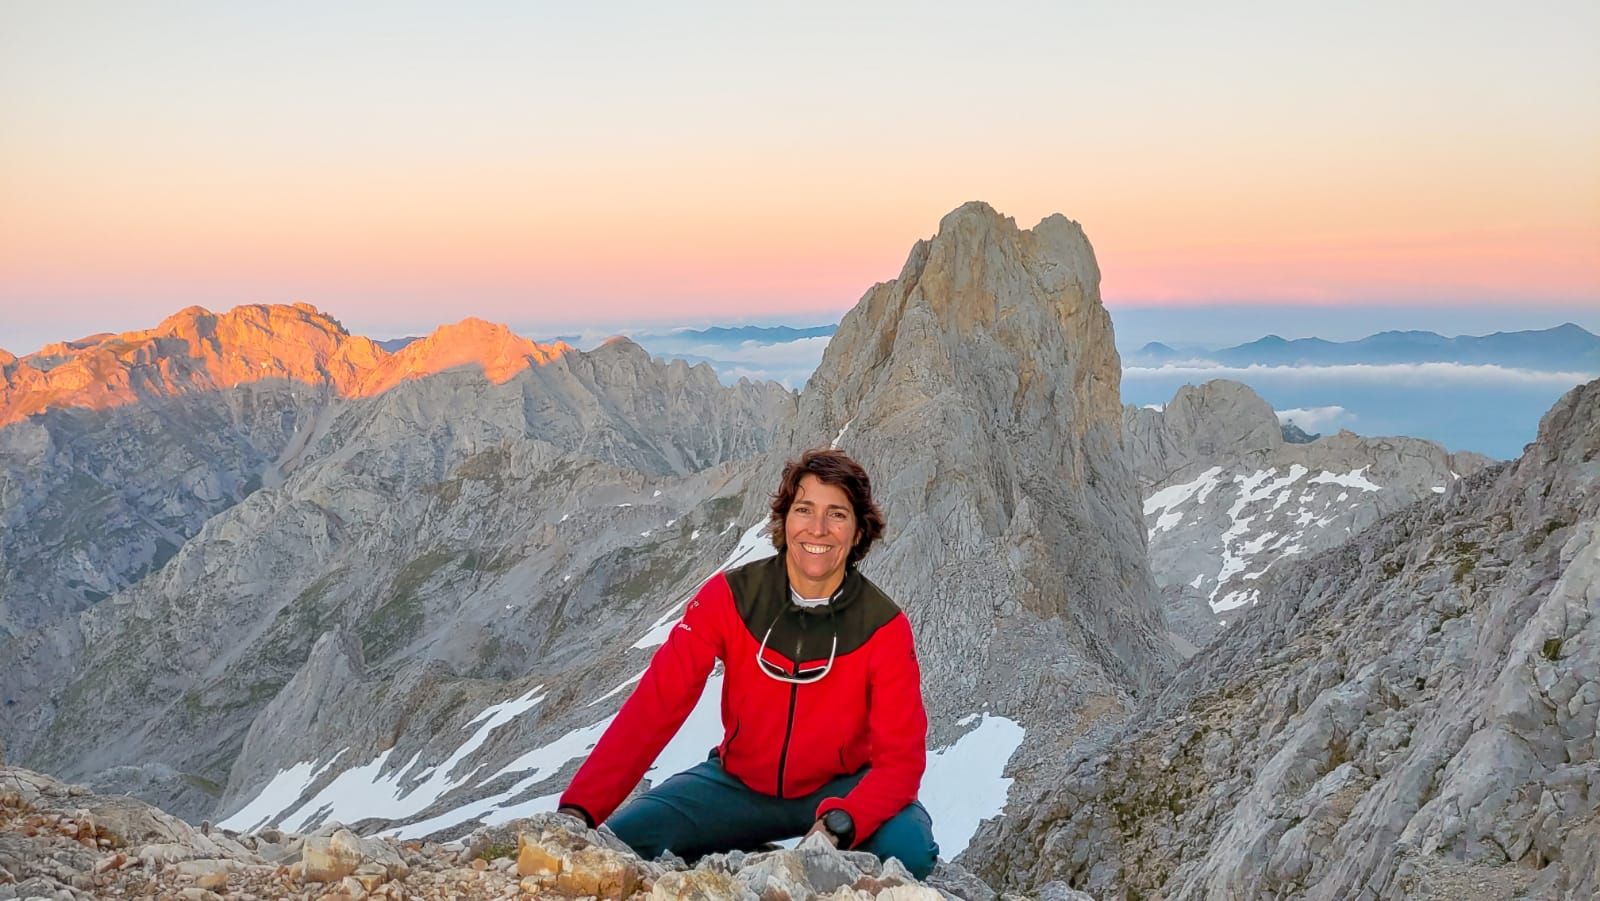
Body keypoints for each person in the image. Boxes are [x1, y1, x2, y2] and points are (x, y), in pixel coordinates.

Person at [557, 447, 939, 877]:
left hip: (839, 789)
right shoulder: (730, 596)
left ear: (857, 531)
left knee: (911, 851)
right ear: (784, 519)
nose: (817, 528)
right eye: (804, 509)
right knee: (624, 842)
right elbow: (656, 704)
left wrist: (840, 824)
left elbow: (900, 763)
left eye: (837, 514)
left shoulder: (883, 626)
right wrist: (579, 809)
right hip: (735, 785)